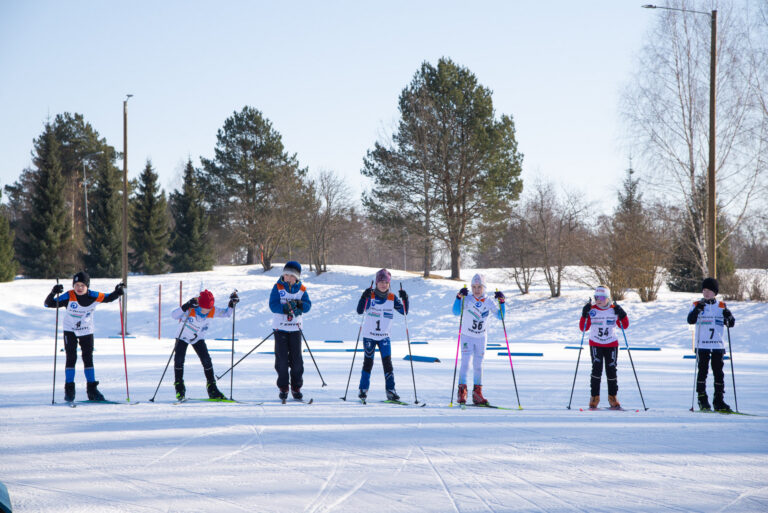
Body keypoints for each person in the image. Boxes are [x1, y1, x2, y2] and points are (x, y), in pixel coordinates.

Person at [44, 271, 124, 402]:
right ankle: (69, 389)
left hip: (86, 330)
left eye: (82, 285)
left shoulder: (94, 296)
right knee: (71, 357)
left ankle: (92, 390)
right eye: (76, 285)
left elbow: (109, 298)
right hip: (70, 330)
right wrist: (53, 292)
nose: (79, 288)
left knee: (88, 358)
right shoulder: (69, 296)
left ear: (87, 286)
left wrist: (118, 291)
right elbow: (48, 304)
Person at [170, 289, 239, 401]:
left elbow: (227, 313)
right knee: (179, 359)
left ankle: (212, 388)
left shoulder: (212, 310)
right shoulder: (191, 308)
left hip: (197, 338)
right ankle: (179, 387)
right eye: (205, 308)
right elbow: (174, 315)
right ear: (200, 305)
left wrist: (232, 304)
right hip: (182, 337)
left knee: (206, 360)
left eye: (209, 308)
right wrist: (186, 305)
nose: (207, 311)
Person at [452, 273, 505, 405]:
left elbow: (500, 316)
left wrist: (502, 302)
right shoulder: (467, 299)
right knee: (465, 364)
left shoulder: (488, 301)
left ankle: (477, 393)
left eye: (479, 287)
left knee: (478, 365)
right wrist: (458, 298)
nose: (476, 290)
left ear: (484, 287)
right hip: (467, 336)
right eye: (474, 287)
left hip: (481, 337)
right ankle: (462, 392)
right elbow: (456, 312)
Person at [356, 269, 409, 402]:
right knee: (368, 363)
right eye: (381, 282)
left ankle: (391, 390)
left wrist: (405, 298)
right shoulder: (370, 296)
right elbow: (359, 311)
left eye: (386, 282)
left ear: (389, 284)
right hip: (370, 336)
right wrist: (363, 297)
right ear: (376, 283)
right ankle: (363, 390)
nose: (383, 284)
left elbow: (404, 312)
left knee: (388, 364)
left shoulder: (392, 298)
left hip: (385, 336)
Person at [687, 277, 735, 412]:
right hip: (702, 345)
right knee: (702, 372)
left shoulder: (721, 305)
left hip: (718, 345)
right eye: (704, 290)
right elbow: (690, 320)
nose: (706, 293)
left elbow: (731, 323)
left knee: (719, 373)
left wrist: (728, 316)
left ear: (715, 292)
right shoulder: (696, 304)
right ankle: (702, 399)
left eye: (709, 290)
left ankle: (718, 400)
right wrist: (697, 310)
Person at [579, 285, 629, 409]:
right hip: (596, 343)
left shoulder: (613, 309)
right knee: (596, 369)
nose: (598, 300)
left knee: (611, 369)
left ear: (608, 298)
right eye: (596, 297)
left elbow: (625, 325)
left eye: (601, 297)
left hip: (611, 343)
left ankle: (613, 396)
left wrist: (622, 314)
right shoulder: (592, 310)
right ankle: (594, 397)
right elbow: (583, 328)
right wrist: (584, 314)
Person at [269, 261, 311, 401]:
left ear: (296, 277)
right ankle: (283, 387)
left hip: (295, 329)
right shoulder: (278, 287)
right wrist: (285, 308)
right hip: (280, 328)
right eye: (285, 274)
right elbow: (273, 305)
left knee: (297, 360)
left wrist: (299, 306)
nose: (287, 277)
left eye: (290, 275)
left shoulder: (302, 289)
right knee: (281, 360)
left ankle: (296, 387)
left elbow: (307, 305)